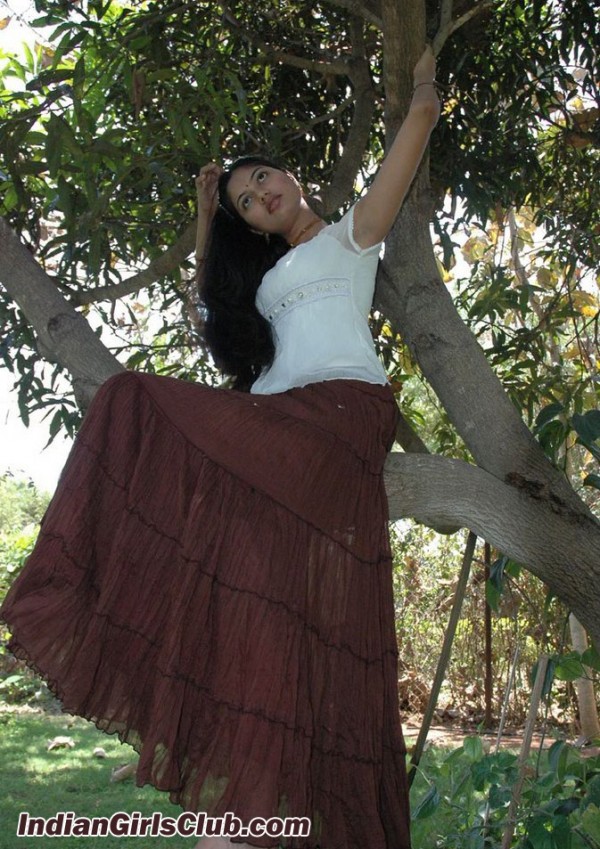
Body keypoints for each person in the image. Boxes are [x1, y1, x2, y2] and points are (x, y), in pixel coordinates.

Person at [1, 47, 439, 849]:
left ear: (292, 177)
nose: (261, 195)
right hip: (272, 430)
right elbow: (220, 328)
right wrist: (207, 221)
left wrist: (421, 91)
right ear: (251, 223)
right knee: (245, 598)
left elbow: (402, 158)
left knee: (138, 398)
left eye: (264, 180)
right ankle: (242, 820)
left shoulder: (349, 239)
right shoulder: (265, 282)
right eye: (247, 202)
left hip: (338, 415)